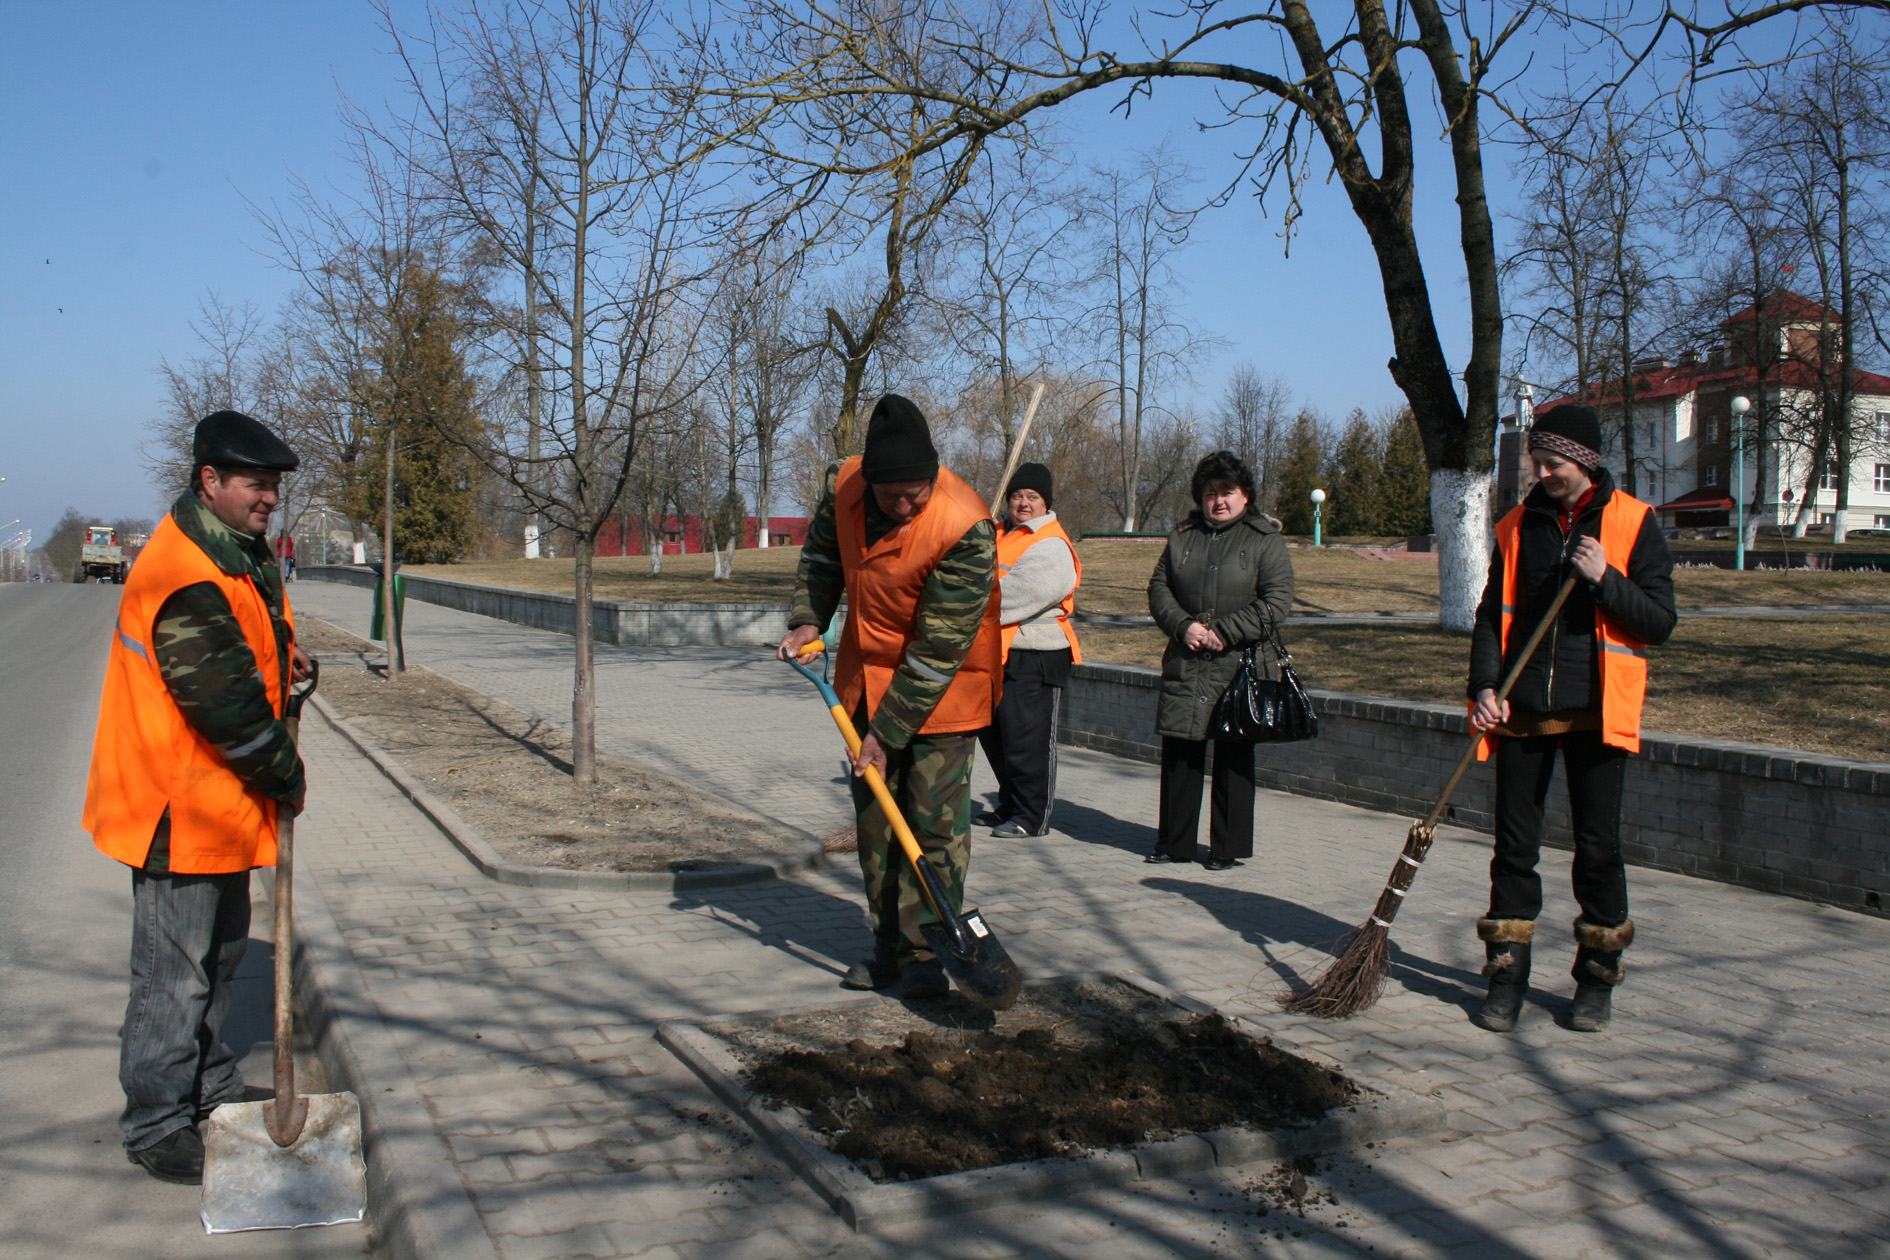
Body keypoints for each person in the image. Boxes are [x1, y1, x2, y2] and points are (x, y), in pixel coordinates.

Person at [82, 410, 315, 1184]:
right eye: (257, 484)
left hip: (216, 806)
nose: (270, 498)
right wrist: (287, 773)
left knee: (217, 961)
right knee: (173, 973)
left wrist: (289, 655)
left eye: (276, 486)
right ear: (209, 480)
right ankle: (156, 1122)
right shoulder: (182, 570)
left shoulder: (233, 552)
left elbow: (247, 644)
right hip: (172, 807)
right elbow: (225, 708)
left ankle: (210, 1089)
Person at [778, 394, 1001, 997]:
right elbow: (822, 554)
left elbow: (936, 651)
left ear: (933, 474)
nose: (903, 506)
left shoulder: (965, 525)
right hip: (862, 679)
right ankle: (887, 948)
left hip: (944, 690)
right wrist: (807, 618)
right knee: (877, 823)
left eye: (915, 493)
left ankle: (926, 955)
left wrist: (885, 734)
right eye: (890, 495)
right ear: (868, 480)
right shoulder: (844, 484)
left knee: (932, 828)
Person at [1466, 404, 1675, 1034]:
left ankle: (1596, 981)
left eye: (1551, 462)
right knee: (1514, 851)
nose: (1542, 472)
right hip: (1522, 711)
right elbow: (1487, 617)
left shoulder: (1635, 522)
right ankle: (1506, 979)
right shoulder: (1516, 525)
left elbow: (1658, 622)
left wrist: (1603, 577)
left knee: (1599, 850)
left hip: (1596, 712)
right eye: (1537, 461)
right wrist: (1482, 686)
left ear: (1584, 461)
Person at [1146, 451, 1295, 871]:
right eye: (1211, 493)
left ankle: (1226, 849)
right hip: (1187, 661)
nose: (1219, 501)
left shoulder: (1265, 539)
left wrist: (1225, 632)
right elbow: (1159, 589)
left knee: (1233, 759)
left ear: (1245, 495)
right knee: (1180, 753)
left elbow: (1277, 602)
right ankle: (1174, 842)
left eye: (1228, 492)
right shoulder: (1181, 537)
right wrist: (1183, 627)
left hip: (1240, 666)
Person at [975, 462, 1082, 838]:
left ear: (1045, 502)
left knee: (1028, 740)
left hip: (1035, 655)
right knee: (998, 737)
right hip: (997, 652)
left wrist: (967, 603)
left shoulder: (1050, 544)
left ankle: (1031, 816)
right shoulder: (998, 533)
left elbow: (1016, 597)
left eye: (1032, 497)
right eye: (1017, 495)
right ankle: (1010, 805)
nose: (1023, 503)